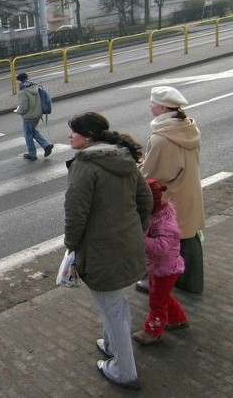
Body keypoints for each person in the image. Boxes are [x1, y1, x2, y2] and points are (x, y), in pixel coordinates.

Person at [64, 112, 152, 391]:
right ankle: (112, 345)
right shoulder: (123, 159)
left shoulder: (86, 165)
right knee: (113, 303)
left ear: (88, 137)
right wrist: (135, 229)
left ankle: (124, 371)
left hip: (101, 249)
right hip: (126, 243)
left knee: (112, 309)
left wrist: (72, 245)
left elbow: (75, 213)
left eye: (74, 132)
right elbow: (145, 199)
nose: (69, 136)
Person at [138, 86, 205, 294]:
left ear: (163, 107)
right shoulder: (187, 127)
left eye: (152, 103)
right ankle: (191, 283)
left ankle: (156, 282)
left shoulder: (161, 138)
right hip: (188, 190)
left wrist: (137, 169)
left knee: (162, 239)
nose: (150, 106)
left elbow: (152, 174)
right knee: (188, 235)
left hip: (170, 196)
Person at [132, 179, 189, 345]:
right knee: (163, 296)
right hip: (158, 266)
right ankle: (179, 319)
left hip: (166, 268)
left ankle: (153, 331)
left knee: (157, 301)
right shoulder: (156, 216)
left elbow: (162, 247)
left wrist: (141, 239)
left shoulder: (166, 224)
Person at [16, 72, 54, 160]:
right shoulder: (34, 86)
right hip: (38, 114)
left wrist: (17, 111)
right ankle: (47, 145)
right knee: (32, 131)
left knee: (28, 135)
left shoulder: (22, 92)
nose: (16, 83)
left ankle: (32, 154)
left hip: (29, 116)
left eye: (17, 81)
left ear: (20, 81)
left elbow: (24, 107)